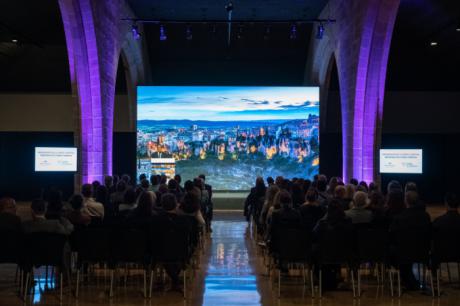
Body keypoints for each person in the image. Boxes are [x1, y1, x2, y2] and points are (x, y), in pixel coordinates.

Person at [389, 191, 431, 290]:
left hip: (403, 254)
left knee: (391, 250)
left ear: (405, 201)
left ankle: (406, 279)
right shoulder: (425, 216)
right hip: (422, 253)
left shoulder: (399, 218)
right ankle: (409, 279)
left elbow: (392, 237)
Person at [158, 193, 191, 291]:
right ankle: (175, 279)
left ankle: (174, 279)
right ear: (176, 204)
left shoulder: (156, 220)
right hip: (181, 253)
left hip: (160, 253)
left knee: (167, 255)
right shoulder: (184, 221)